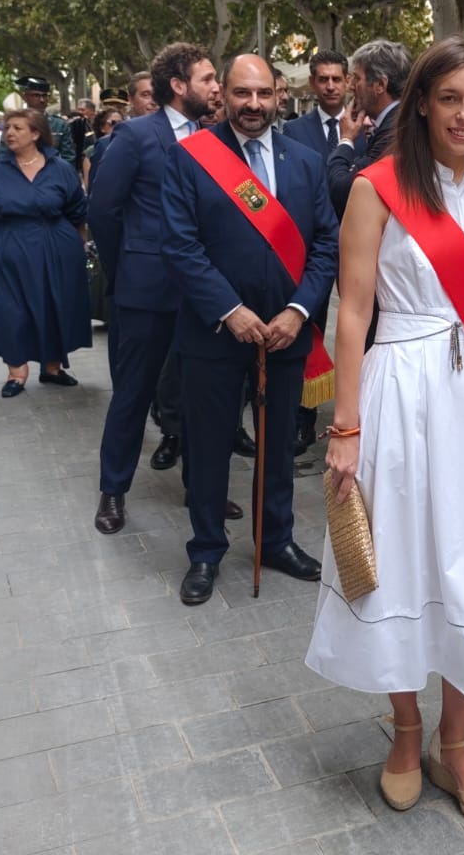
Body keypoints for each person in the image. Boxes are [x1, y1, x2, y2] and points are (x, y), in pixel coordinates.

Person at [307, 35, 464, 827]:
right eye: (450, 99)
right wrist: (345, 426)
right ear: (422, 107)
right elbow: (353, 310)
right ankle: (406, 733)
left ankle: (457, 740)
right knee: (403, 561)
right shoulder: (376, 189)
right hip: (400, 393)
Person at [162, 53, 339, 604]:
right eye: (242, 93)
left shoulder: (305, 162)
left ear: (278, 95)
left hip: (285, 333)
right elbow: (180, 245)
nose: (254, 105)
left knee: (278, 446)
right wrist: (229, 310)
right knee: (209, 447)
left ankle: (276, 540)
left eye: (264, 93)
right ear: (224, 95)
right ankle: (206, 550)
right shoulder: (191, 156)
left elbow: (326, 244)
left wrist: (299, 311)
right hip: (215, 333)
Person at [89, 43, 220, 536]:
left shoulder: (216, 137)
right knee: (133, 392)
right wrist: (127, 266)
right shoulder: (136, 135)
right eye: (208, 79)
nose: (216, 87)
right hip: (146, 289)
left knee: (198, 395)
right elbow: (103, 209)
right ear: (180, 86)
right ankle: (113, 490)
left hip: (203, 292)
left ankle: (200, 488)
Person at [0, 109, 91, 397]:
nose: (9, 133)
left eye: (18, 128)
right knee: (10, 310)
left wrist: (80, 246)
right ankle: (16, 372)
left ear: (36, 134)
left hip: (54, 248)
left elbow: (77, 213)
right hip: (4, 250)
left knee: (53, 305)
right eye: (7, 127)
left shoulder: (60, 169)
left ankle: (52, 367)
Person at [283, 47, 359, 453]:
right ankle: (301, 417)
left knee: (364, 326)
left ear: (349, 82)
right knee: (307, 326)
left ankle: (362, 411)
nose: (331, 86)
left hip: (361, 244)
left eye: (337, 79)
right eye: (323, 79)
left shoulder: (365, 125)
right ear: (313, 83)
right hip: (311, 249)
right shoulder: (293, 131)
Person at [328, 39, 410, 216]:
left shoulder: (394, 133)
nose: (350, 86)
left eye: (357, 78)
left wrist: (346, 139)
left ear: (380, 85)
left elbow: (341, 190)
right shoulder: (396, 122)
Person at [15, 76, 76, 165]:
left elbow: (68, 158)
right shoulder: (15, 124)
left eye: (44, 96)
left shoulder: (59, 125)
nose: (42, 100)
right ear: (25, 97)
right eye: (36, 95)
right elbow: (6, 156)